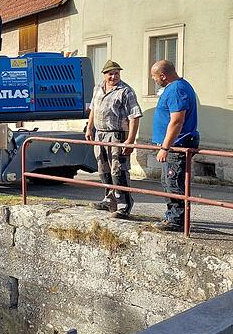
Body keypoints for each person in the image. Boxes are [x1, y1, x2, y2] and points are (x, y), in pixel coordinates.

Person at [85, 60, 143, 219]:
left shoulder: (125, 91)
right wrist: (89, 128)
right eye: (110, 73)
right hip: (100, 134)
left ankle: (124, 205)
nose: (114, 76)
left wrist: (130, 140)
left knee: (119, 170)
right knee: (103, 169)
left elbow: (134, 116)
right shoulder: (98, 88)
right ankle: (109, 200)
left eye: (116, 73)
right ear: (104, 75)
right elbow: (93, 109)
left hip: (117, 135)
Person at [150, 59, 200, 232]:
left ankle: (177, 220)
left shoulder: (177, 89)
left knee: (173, 181)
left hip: (178, 144)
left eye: (154, 77)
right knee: (168, 180)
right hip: (174, 144)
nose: (153, 80)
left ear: (163, 76)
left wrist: (165, 147)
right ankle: (172, 216)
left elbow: (177, 121)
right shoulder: (176, 87)